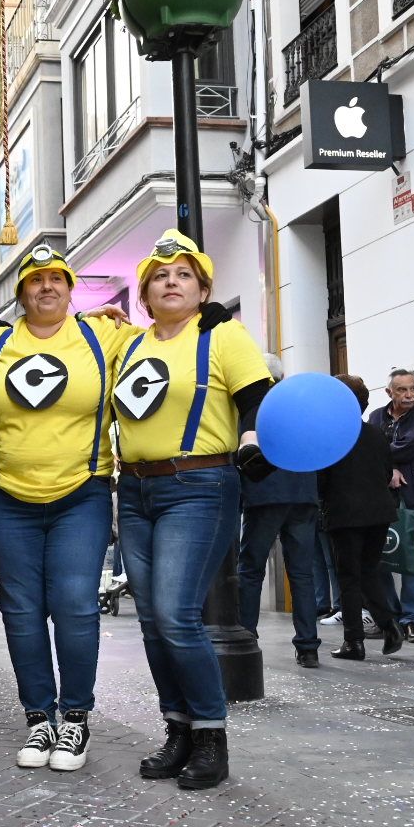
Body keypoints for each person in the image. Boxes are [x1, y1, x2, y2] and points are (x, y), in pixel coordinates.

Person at [114, 231, 271, 791]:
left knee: (179, 615)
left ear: (202, 289)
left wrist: (251, 441)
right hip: (133, 491)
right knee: (154, 622)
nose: (170, 282)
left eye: (183, 274)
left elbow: (257, 398)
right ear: (145, 293)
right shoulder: (130, 345)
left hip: (199, 484)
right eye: (160, 276)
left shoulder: (224, 335)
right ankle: (177, 728)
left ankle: (211, 736)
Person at [0, 245, 122, 772]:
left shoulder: (101, 335)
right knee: (20, 612)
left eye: (56, 279)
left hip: (80, 493)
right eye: (35, 280)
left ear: (70, 287)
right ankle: (39, 719)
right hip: (6, 496)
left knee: (74, 605)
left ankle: (75, 719)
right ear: (20, 293)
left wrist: (213, 316)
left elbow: (163, 344)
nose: (46, 287)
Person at [236, 355, 322, 667]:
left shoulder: (252, 407)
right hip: (303, 495)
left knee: (250, 570)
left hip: (265, 496)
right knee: (302, 574)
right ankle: (308, 646)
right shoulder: (301, 405)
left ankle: (246, 636)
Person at [316, 375, 403, 660]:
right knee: (367, 571)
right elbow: (387, 472)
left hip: (346, 514)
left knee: (349, 578)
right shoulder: (376, 433)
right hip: (378, 513)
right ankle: (389, 624)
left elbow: (322, 479)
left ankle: (354, 641)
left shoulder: (330, 436)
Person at [369, 368, 414, 643]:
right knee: (380, 558)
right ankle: (389, 617)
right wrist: (391, 469)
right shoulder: (376, 417)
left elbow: (408, 447)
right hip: (381, 498)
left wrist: (389, 462)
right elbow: (370, 448)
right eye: (402, 390)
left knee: (411, 560)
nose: (409, 394)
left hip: (413, 496)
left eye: (412, 388)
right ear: (389, 392)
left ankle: (412, 620)